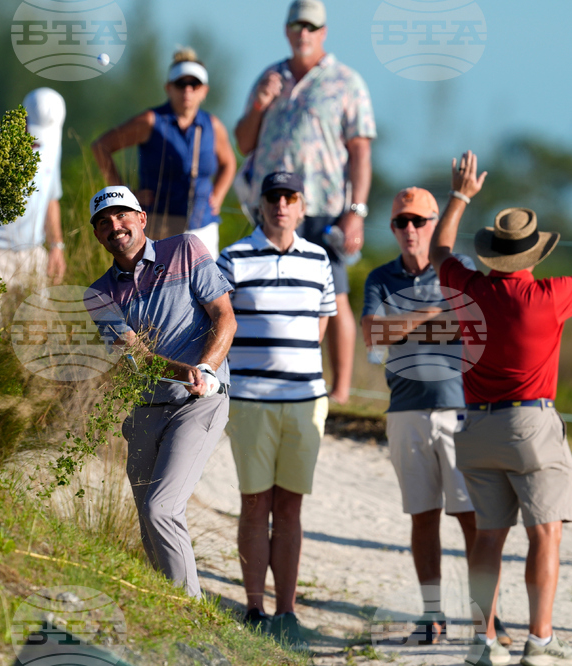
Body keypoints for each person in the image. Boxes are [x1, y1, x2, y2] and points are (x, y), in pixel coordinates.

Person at [430, 151, 572, 666]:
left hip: (476, 424)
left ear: (492, 254)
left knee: (488, 537)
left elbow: (438, 250)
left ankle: (483, 641)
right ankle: (540, 641)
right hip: (530, 425)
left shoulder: (468, 288)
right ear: (533, 255)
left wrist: (459, 196)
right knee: (545, 532)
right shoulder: (547, 296)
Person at [361, 187, 512, 647]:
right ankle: (432, 615)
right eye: (400, 222)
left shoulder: (457, 269)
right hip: (405, 411)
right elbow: (372, 335)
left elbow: (470, 324)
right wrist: (430, 313)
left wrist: (401, 323)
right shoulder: (380, 277)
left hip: (459, 410)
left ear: (433, 224)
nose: (409, 229)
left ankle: (487, 617)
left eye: (418, 221)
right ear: (393, 227)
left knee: (472, 519)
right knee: (422, 517)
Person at [85, 185, 236, 598]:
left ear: (141, 218)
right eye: (104, 222)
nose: (115, 226)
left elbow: (224, 316)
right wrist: (184, 369)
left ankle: (191, 612)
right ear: (98, 235)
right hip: (146, 408)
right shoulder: (98, 295)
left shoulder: (186, 249)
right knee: (148, 521)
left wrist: (206, 368)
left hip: (198, 402)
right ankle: (167, 604)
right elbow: (136, 356)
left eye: (122, 215)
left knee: (161, 509)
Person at [216, 172, 336, 653]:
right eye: (273, 197)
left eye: (290, 197)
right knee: (254, 504)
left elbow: (322, 321)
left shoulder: (319, 258)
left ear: (302, 206)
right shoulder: (233, 257)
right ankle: (253, 609)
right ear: (261, 204)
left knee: (290, 507)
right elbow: (218, 318)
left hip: (306, 399)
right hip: (250, 399)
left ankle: (286, 612)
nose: (281, 204)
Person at [233, 0, 376, 404]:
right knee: (267, 291)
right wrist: (260, 104)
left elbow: (361, 152)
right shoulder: (269, 77)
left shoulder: (346, 82)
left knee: (335, 295)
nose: (304, 33)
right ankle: (274, 378)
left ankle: (341, 389)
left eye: (312, 27)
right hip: (272, 206)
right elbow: (243, 142)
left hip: (323, 206)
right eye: (297, 25)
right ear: (287, 29)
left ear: (324, 32)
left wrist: (356, 212)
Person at [91, 48, 236, 259]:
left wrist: (218, 195)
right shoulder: (151, 122)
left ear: (204, 90)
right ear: (168, 88)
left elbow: (229, 163)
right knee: (160, 278)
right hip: (159, 224)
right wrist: (125, 193)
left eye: (194, 84)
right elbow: (101, 147)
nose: (187, 90)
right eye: (181, 84)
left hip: (203, 226)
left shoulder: (213, 126)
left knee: (205, 279)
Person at [0, 87, 67, 301]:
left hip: (33, 254)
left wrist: (56, 246)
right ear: (23, 117)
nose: (38, 140)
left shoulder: (53, 147)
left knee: (35, 321)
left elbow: (51, 199)